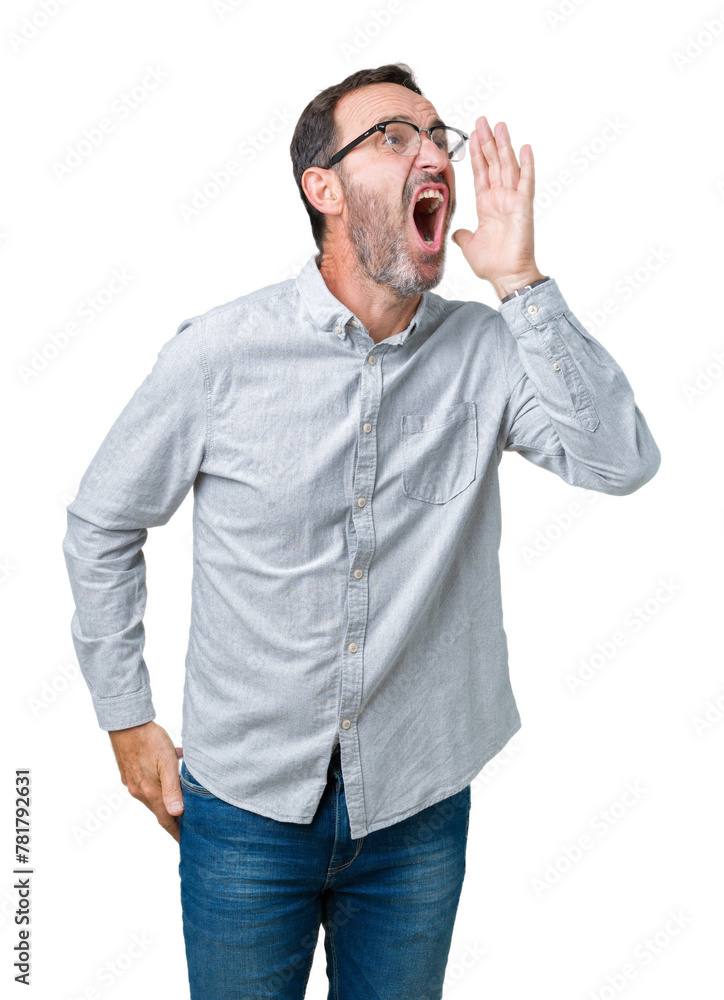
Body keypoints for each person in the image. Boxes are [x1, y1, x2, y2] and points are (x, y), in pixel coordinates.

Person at [62, 62, 661, 999]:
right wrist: (125, 718)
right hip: (245, 809)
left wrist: (522, 283)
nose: (434, 154)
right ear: (323, 188)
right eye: (394, 136)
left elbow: (621, 461)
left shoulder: (491, 350)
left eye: (438, 137)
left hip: (417, 809)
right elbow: (103, 519)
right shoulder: (221, 355)